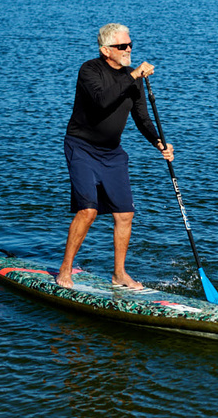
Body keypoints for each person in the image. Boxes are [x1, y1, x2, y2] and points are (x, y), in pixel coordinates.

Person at [58, 23, 174, 289]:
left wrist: (159, 142)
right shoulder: (89, 70)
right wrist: (133, 76)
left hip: (112, 154)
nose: (129, 49)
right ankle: (66, 268)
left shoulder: (132, 81)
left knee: (125, 215)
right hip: (82, 148)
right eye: (122, 46)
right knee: (88, 210)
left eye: (130, 44)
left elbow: (142, 118)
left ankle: (119, 274)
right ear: (105, 50)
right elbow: (102, 100)